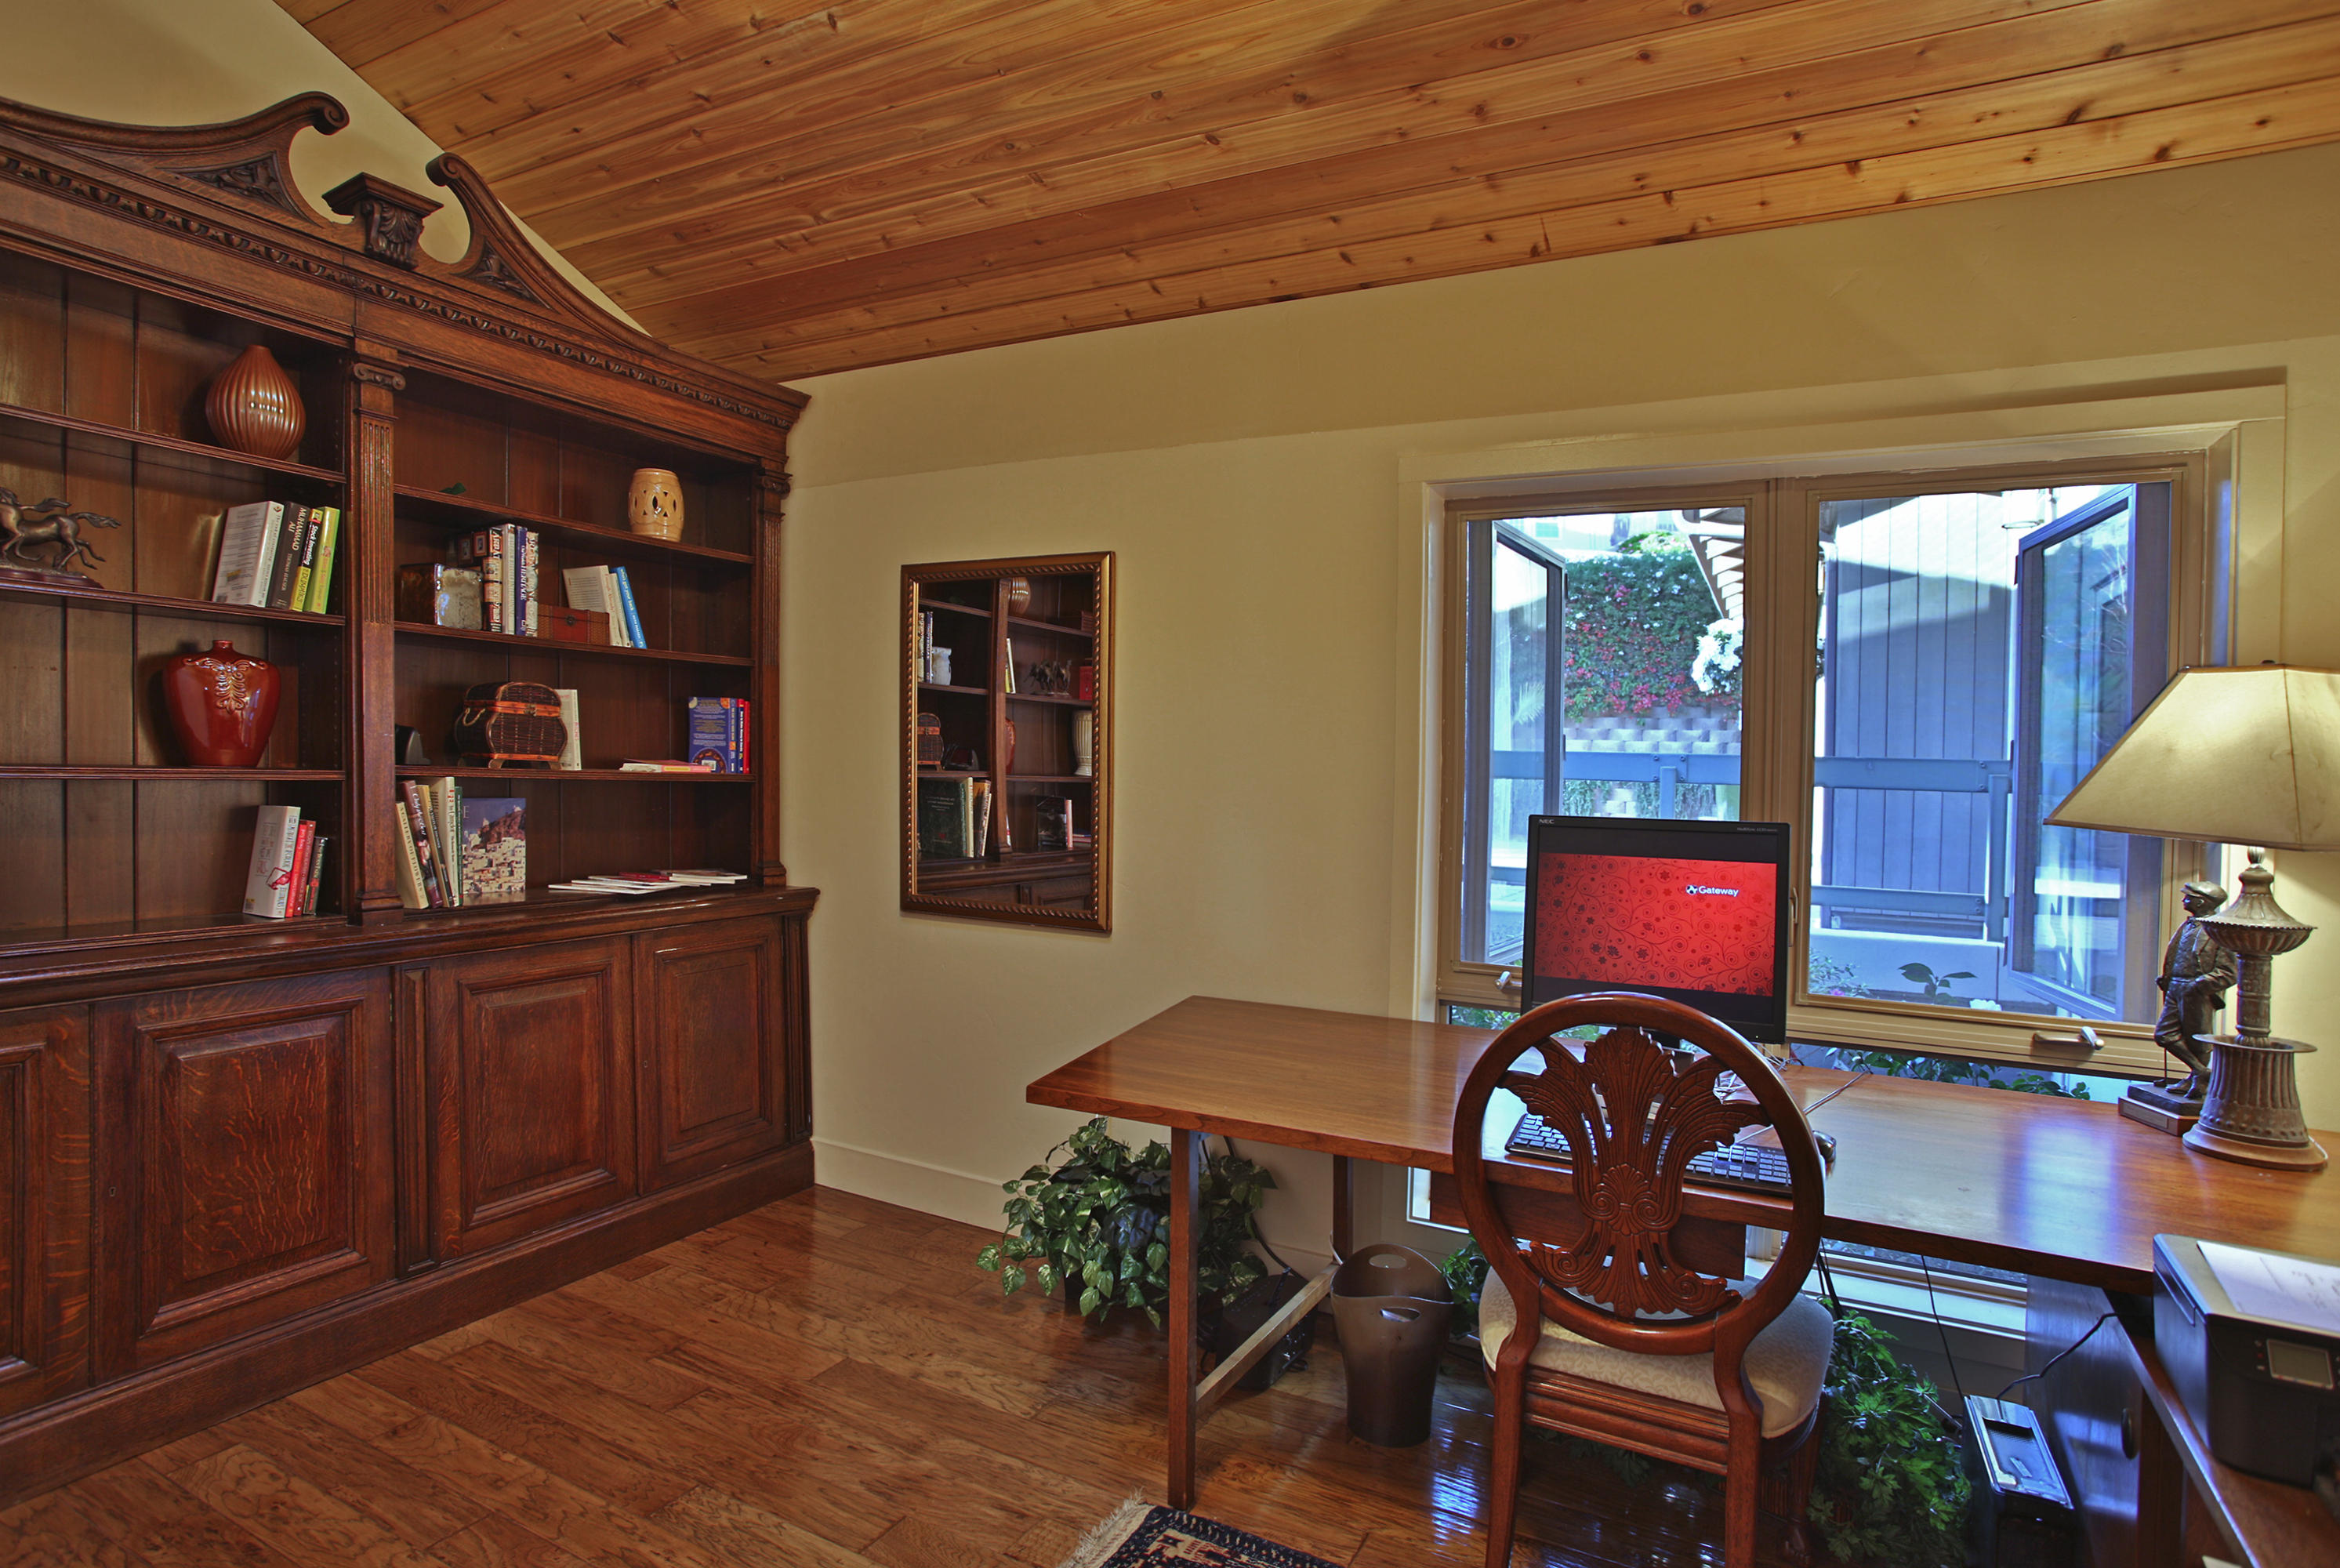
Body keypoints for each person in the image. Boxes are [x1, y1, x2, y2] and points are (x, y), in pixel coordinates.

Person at [2154, 880, 2236, 1098]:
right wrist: (2168, 978)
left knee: (2198, 1039)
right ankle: (2202, 1072)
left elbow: (2229, 972)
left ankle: (2198, 1081)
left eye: (2188, 897)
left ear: (2201, 902)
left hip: (2198, 990)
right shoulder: (2188, 926)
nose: (2184, 900)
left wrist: (2199, 985)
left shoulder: (2220, 930)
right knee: (2164, 1035)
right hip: (2175, 987)